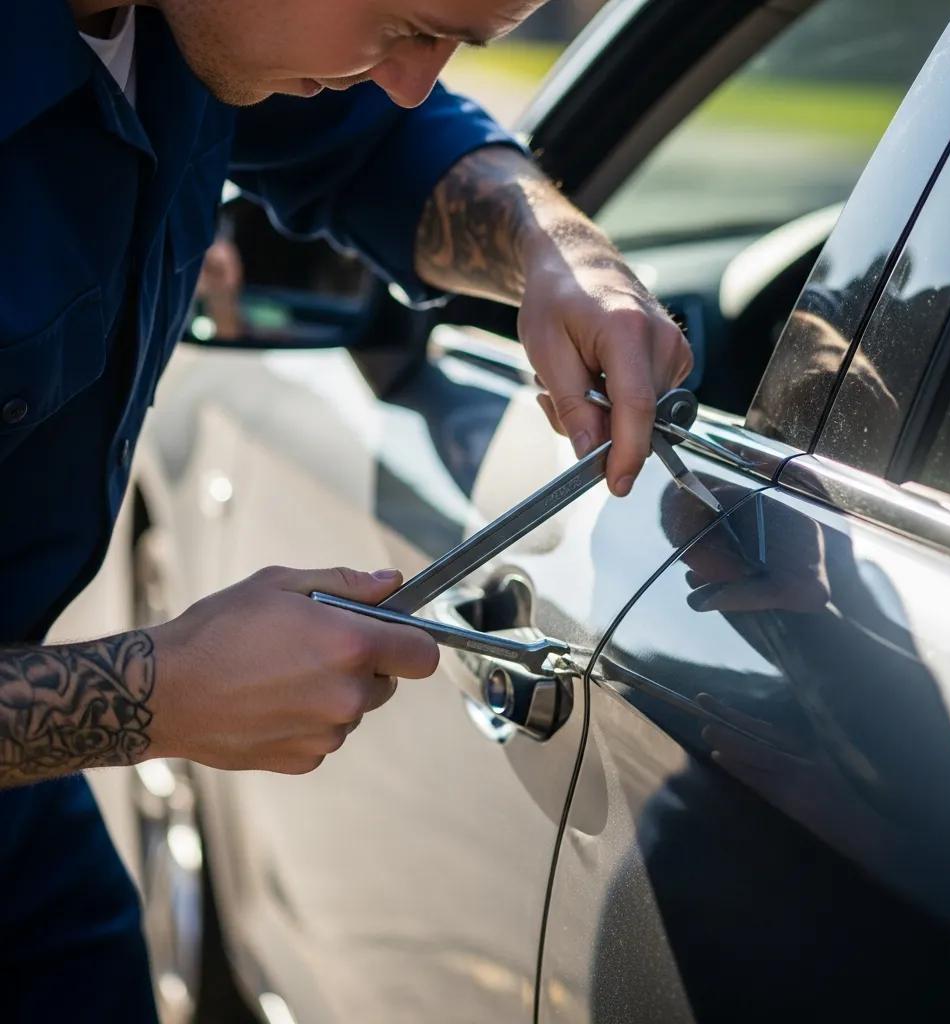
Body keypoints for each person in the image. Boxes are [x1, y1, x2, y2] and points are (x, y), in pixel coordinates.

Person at [0, 0, 691, 1017]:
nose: (413, 77)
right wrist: (160, 692)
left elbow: (385, 143)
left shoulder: (198, 31)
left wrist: (557, 253)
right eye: (409, 21)